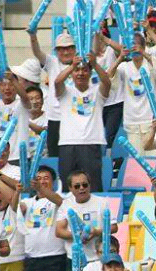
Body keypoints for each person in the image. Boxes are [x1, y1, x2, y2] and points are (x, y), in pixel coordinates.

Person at [54, 51, 111, 191]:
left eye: (85, 70)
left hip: (91, 143)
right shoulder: (66, 92)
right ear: (72, 73)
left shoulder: (97, 91)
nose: (80, 73)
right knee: (68, 187)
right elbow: (57, 82)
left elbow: (107, 82)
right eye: (77, 70)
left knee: (93, 184)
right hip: (68, 143)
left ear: (90, 73)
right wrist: (71, 65)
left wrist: (95, 64)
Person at [55, 171, 117, 271]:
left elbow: (114, 227)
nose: (82, 189)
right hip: (75, 260)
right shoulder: (66, 204)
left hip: (98, 259)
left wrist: (96, 232)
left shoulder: (101, 202)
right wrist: (78, 236)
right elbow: (59, 231)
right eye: (77, 186)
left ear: (90, 185)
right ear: (70, 188)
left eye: (85, 185)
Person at [18, 166, 66, 271]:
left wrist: (41, 188)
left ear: (53, 182)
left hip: (55, 258)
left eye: (46, 178)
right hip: (32, 259)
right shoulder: (28, 202)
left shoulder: (60, 199)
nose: (42, 181)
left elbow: (59, 201)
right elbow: (17, 208)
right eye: (38, 178)